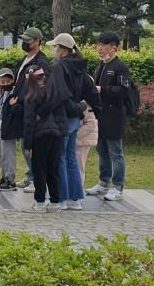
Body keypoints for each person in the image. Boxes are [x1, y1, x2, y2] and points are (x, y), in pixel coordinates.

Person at [45, 33, 101, 210]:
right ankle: (75, 198)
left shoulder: (61, 67)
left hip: (64, 116)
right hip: (75, 119)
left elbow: (59, 94)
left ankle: (61, 197)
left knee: (59, 157)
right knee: (70, 158)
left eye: (55, 47)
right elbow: (91, 91)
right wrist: (86, 108)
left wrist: (74, 109)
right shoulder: (80, 66)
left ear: (62, 50)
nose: (53, 50)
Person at [86, 31, 131, 202]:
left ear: (114, 48)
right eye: (98, 45)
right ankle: (103, 182)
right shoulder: (100, 65)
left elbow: (123, 91)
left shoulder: (120, 67)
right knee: (102, 150)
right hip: (100, 115)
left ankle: (117, 186)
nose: (100, 48)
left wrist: (102, 90)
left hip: (114, 116)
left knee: (115, 152)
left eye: (103, 45)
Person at [8, 27, 51, 194]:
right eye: (24, 40)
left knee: (30, 145)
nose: (25, 43)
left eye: (29, 40)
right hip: (20, 107)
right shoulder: (25, 59)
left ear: (37, 41)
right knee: (23, 143)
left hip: (31, 108)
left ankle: (37, 178)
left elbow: (40, 86)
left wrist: (22, 99)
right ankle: (31, 174)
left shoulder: (41, 62)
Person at [21, 66, 65, 213]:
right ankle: (55, 202)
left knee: (39, 171)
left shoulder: (31, 97)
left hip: (39, 137)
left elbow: (29, 123)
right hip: (56, 135)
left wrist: (27, 145)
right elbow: (61, 115)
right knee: (54, 169)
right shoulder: (55, 93)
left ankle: (39, 202)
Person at [0, 68, 19, 191]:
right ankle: (4, 176)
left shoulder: (15, 93)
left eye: (7, 81)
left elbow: (18, 110)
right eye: (2, 81)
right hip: (0, 125)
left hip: (9, 128)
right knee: (0, 154)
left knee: (8, 154)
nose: (4, 83)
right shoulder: (2, 93)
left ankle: (10, 180)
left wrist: (14, 106)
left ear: (13, 80)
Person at [76, 105, 98, 184]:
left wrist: (75, 135)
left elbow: (91, 123)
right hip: (81, 140)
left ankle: (78, 188)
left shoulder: (86, 104)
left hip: (83, 141)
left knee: (79, 166)